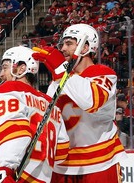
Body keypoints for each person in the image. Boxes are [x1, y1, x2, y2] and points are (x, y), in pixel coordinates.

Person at [31, 23, 128, 182]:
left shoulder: (103, 74)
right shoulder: (59, 81)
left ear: (85, 47)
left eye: (69, 43)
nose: (62, 49)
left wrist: (61, 71)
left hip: (100, 162)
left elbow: (92, 100)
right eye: (62, 44)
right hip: (63, 163)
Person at [0, 46, 69, 182]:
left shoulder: (10, 89)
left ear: (21, 68)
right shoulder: (51, 103)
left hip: (15, 176)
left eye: (5, 67)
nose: (1, 74)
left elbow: (16, 134)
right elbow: (62, 151)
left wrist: (5, 170)